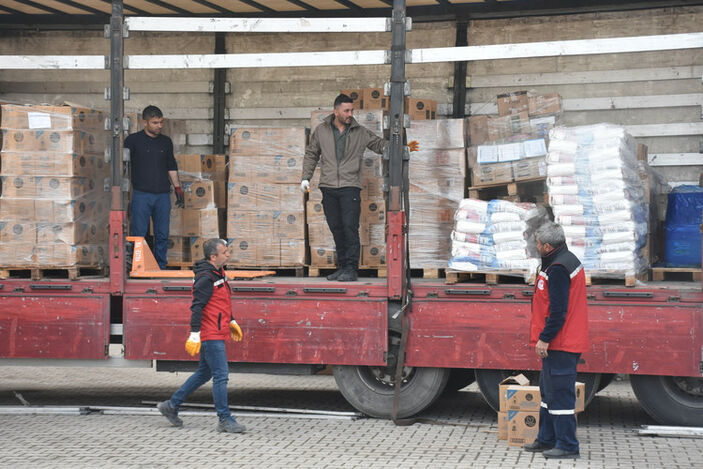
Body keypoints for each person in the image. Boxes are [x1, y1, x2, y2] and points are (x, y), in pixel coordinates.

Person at [301, 93, 418, 282]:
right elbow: (311, 154)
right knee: (336, 228)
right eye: (346, 110)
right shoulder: (321, 131)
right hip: (328, 187)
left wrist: (403, 148)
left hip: (350, 187)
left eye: (351, 110)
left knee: (349, 227)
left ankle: (351, 269)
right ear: (336, 111)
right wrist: (305, 177)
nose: (350, 114)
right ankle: (342, 267)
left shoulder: (360, 132)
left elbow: (380, 145)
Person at [157, 238, 246, 434]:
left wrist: (231, 320)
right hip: (209, 333)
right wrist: (195, 334)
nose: (228, 254)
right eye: (225, 252)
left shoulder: (218, 273)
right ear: (213, 256)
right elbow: (197, 307)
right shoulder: (206, 278)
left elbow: (220, 302)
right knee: (221, 376)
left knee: (204, 373)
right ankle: (224, 419)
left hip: (217, 329)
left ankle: (171, 406)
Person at [526, 222, 589, 459]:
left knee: (560, 394)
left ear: (548, 246)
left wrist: (544, 338)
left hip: (561, 343)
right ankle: (546, 439)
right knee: (548, 391)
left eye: (539, 244)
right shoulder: (559, 259)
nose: (537, 246)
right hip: (560, 341)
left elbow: (558, 310)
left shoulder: (560, 268)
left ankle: (568, 445)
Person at [125, 105, 184, 270]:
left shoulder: (166, 142)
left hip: (162, 195)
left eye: (161, 122)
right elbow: (122, 166)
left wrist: (178, 189)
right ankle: (140, 266)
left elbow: (171, 166)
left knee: (162, 234)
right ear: (145, 122)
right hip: (141, 194)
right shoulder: (132, 141)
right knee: (139, 234)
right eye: (155, 122)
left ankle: (160, 267)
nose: (159, 126)